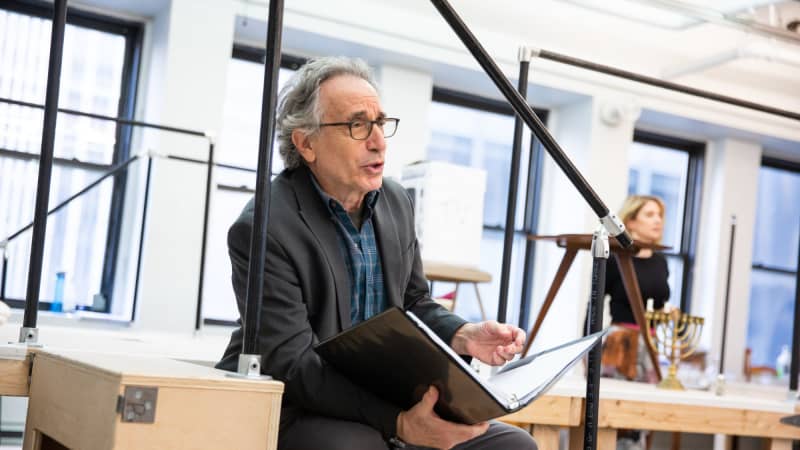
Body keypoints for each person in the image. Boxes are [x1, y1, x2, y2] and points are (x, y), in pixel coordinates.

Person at [216, 56, 537, 450]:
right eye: (357, 125)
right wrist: (399, 423)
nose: (378, 141)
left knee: (512, 446)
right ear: (306, 143)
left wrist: (462, 334)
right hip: (299, 403)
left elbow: (414, 302)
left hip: (386, 397)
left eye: (381, 123)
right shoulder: (265, 225)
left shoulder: (395, 201)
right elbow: (293, 364)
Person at [600, 195, 670, 450]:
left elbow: (661, 308)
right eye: (649, 215)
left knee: (642, 419)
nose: (658, 221)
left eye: (660, 215)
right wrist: (589, 348)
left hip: (650, 344)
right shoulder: (616, 256)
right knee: (612, 418)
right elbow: (594, 301)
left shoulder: (661, 261)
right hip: (620, 344)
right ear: (630, 221)